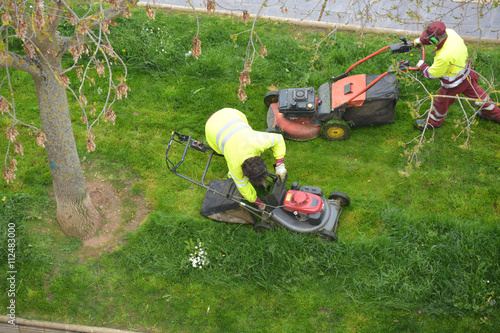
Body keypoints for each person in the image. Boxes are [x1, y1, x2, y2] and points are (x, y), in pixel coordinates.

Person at [413, 21, 500, 130]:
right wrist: (421, 40)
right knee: (479, 96)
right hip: (467, 73)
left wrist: (422, 66)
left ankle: (432, 122)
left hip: (454, 83)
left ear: (435, 40)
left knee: (441, 102)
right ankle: (496, 115)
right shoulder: (451, 33)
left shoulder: (444, 55)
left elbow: (431, 74)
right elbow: (434, 38)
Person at [205, 108, 287, 210]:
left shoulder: (257, 141)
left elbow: (278, 139)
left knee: (246, 129)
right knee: (222, 150)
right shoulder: (234, 166)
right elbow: (244, 188)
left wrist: (280, 165)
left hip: (230, 114)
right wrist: (259, 203)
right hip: (212, 128)